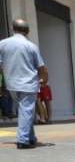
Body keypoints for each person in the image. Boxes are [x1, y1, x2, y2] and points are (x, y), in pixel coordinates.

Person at [0, 19, 48, 149]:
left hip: (11, 84)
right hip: (28, 83)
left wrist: (2, 84)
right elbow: (42, 67)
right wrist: (44, 80)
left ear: (13, 28)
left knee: (26, 110)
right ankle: (23, 140)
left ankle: (31, 137)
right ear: (27, 31)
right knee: (26, 110)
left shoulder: (2, 44)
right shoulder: (31, 46)